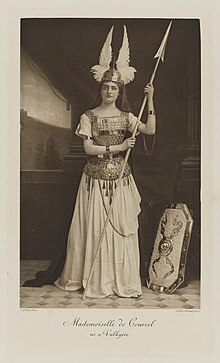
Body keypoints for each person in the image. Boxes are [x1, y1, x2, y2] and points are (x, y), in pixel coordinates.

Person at [23, 25, 156, 298]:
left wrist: (151, 100)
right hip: (94, 180)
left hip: (121, 179)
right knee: (94, 228)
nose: (109, 91)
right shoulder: (89, 116)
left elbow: (150, 130)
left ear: (120, 91)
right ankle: (93, 279)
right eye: (106, 86)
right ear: (101, 88)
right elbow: (88, 148)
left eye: (114, 87)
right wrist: (118, 146)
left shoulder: (127, 116)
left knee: (120, 229)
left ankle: (118, 280)